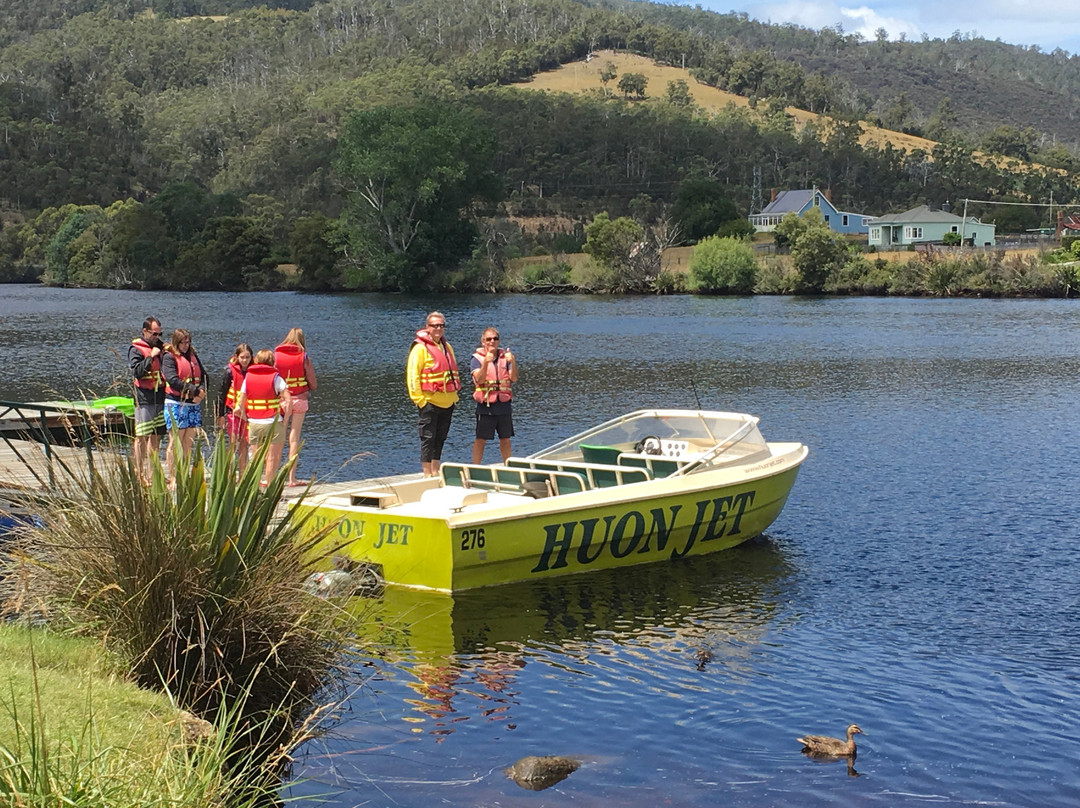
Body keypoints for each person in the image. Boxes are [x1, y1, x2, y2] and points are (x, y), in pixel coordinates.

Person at [406, 311, 460, 477]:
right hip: (429, 401)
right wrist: (420, 400)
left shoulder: (447, 347)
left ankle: (436, 470)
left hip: (448, 401)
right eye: (435, 325)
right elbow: (413, 375)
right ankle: (427, 473)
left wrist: (454, 397)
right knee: (428, 438)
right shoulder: (420, 349)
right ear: (427, 327)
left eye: (441, 325)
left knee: (440, 438)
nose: (438, 328)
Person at [234, 349, 292, 485]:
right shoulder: (277, 378)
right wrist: (285, 421)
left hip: (254, 423)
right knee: (272, 458)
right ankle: (270, 487)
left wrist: (246, 418)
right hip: (273, 422)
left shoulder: (248, 378)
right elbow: (289, 402)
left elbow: (239, 405)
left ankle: (255, 489)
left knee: (256, 458)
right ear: (272, 362)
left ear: (256, 360)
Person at [161, 328, 207, 483]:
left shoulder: (193, 356)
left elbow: (205, 377)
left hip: (192, 404)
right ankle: (174, 477)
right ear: (176, 342)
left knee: (188, 442)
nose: (186, 345)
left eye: (188, 342)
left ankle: (184, 474)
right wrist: (194, 391)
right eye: (183, 342)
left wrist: (201, 392)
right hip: (175, 403)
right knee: (176, 441)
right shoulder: (169, 357)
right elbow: (173, 379)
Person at [274, 328, 317, 487]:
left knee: (279, 438)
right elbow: (313, 382)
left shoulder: (276, 356)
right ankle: (292, 479)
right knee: (294, 438)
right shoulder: (303, 356)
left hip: (281, 401)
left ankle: (272, 476)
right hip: (299, 400)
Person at [470, 327, 518, 463]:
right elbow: (479, 379)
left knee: (506, 438)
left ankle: (508, 465)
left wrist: (513, 361)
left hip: (503, 404)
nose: (492, 341)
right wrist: (486, 362)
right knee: (481, 438)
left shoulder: (506, 357)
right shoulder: (477, 359)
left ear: (499, 341)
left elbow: (513, 378)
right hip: (486, 404)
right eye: (489, 339)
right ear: (483, 341)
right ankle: (476, 466)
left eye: (495, 339)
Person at [128, 317, 167, 481]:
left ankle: (152, 474)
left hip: (161, 396)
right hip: (144, 397)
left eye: (159, 333)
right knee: (142, 437)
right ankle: (139, 473)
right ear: (144, 331)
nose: (157, 337)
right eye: (154, 333)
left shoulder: (161, 347)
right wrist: (150, 357)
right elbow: (137, 372)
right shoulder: (136, 349)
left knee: (156, 437)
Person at [217, 343, 253, 473]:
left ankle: (242, 475)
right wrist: (220, 415)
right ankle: (227, 474)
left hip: (247, 413)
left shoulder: (253, 371)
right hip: (232, 411)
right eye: (242, 357)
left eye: (247, 357)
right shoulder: (229, 371)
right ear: (237, 357)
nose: (245, 360)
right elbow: (222, 393)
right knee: (233, 443)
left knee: (244, 443)